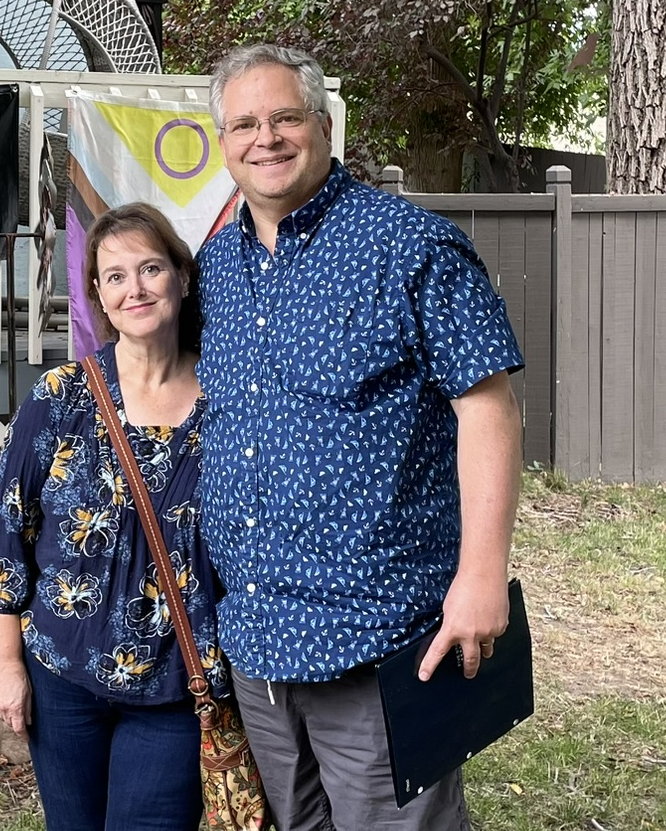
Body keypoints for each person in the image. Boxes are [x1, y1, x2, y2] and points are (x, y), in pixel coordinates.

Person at [195, 43, 525, 831]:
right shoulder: (215, 266)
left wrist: (480, 576)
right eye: (243, 123)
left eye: (284, 116)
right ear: (222, 142)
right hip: (257, 632)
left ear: (323, 122)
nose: (264, 137)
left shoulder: (410, 246)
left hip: (376, 633)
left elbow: (489, 408)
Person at [0, 202, 226, 831]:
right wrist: (6, 665)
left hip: (177, 683)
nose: (134, 288)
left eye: (150, 268)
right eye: (115, 276)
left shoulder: (229, 402)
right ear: (98, 296)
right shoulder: (60, 397)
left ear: (182, 275)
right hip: (64, 678)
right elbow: (9, 531)